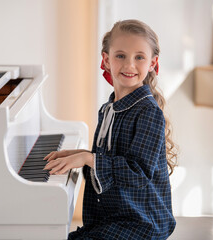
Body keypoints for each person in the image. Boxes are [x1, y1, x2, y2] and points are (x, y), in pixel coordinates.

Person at [44, 19, 177, 240]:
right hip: (114, 216)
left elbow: (138, 174)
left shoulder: (148, 112)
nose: (129, 65)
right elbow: (106, 161)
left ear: (153, 63)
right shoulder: (108, 109)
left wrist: (88, 158)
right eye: (120, 56)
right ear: (106, 60)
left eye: (139, 57)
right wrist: (77, 156)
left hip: (143, 222)